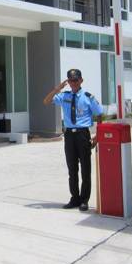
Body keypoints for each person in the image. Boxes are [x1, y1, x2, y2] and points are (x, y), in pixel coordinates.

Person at [43, 69, 104, 212]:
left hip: (83, 135)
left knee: (85, 169)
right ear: (68, 82)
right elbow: (46, 101)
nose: (73, 83)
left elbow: (99, 114)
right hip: (69, 135)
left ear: (81, 80)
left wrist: (98, 136)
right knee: (72, 169)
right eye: (70, 80)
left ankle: (84, 200)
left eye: (76, 80)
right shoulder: (64, 96)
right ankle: (74, 198)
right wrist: (57, 89)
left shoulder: (88, 97)